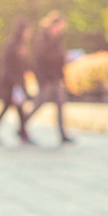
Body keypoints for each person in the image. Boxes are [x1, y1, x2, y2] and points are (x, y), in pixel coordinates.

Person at [25, 10, 74, 144]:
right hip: (46, 78)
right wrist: (61, 57)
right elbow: (41, 59)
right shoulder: (43, 38)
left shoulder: (55, 39)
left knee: (60, 104)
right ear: (54, 24)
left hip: (55, 78)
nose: (61, 29)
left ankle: (62, 134)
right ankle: (22, 126)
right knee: (39, 104)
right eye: (60, 26)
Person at [0, 19, 34, 144]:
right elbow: (7, 65)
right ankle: (21, 133)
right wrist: (15, 82)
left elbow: (24, 64)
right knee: (10, 108)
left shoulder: (21, 45)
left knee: (15, 108)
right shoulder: (12, 45)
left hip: (16, 82)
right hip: (11, 83)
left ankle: (21, 132)